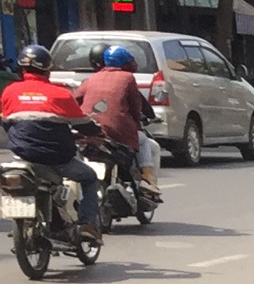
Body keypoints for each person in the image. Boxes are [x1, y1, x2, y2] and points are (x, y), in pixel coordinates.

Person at [1, 44, 101, 229]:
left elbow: (6, 122)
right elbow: (84, 125)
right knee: (90, 178)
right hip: (58, 159)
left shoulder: (10, 91)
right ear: (48, 69)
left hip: (23, 156)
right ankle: (88, 224)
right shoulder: (61, 94)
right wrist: (97, 132)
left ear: (22, 69)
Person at [78, 43, 154, 203]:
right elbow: (136, 107)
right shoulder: (127, 78)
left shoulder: (90, 79)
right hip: (117, 133)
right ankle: (148, 180)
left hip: (89, 132)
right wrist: (137, 126)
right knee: (143, 140)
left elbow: (74, 101)